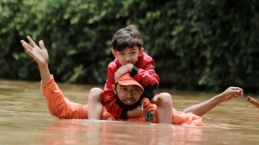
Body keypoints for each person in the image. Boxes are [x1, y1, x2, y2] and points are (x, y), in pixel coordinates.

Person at [20, 35, 243, 127]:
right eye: (124, 89)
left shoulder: (152, 112)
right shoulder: (102, 112)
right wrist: (44, 68)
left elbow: (189, 119)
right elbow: (62, 109)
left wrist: (171, 135)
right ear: (114, 88)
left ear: (142, 90)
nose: (128, 95)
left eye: (134, 90)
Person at [88, 24, 173, 124]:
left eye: (132, 53)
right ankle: (93, 129)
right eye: (122, 53)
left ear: (140, 51)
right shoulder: (112, 67)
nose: (127, 58)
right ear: (115, 53)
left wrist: (132, 69)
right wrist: (126, 113)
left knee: (165, 97)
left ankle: (164, 135)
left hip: (143, 100)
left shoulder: (146, 60)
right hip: (121, 102)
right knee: (95, 92)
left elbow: (153, 84)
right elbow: (109, 96)